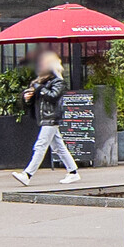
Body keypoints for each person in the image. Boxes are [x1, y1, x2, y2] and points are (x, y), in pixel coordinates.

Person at [12, 51, 79, 186]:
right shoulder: (41, 82)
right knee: (59, 147)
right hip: (45, 118)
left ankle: (28, 174)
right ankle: (73, 172)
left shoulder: (58, 82)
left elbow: (53, 96)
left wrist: (39, 88)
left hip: (51, 118)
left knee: (41, 145)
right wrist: (28, 98)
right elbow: (36, 102)